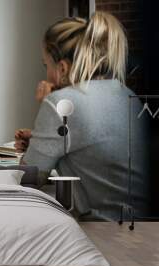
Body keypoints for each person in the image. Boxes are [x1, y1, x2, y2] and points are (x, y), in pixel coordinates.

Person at [15, 12, 149, 220]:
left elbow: (28, 178)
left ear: (62, 68)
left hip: (103, 233)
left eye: (46, 65)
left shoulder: (62, 102)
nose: (46, 74)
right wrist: (39, 139)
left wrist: (45, 106)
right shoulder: (127, 94)